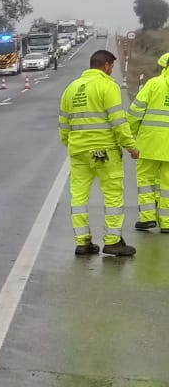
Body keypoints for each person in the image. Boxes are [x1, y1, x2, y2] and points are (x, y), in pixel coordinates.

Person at [58, 48, 139, 258]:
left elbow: (63, 124)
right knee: (113, 195)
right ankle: (112, 241)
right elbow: (118, 122)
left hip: (78, 152)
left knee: (78, 196)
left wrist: (71, 144)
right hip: (104, 151)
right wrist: (131, 146)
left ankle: (83, 242)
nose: (112, 70)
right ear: (105, 66)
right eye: (111, 67)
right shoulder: (107, 85)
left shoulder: (71, 88)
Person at [129, 51, 169, 234]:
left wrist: (130, 135)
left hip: (150, 144)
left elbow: (135, 112)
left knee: (146, 180)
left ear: (163, 67)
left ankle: (147, 219)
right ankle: (167, 222)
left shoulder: (153, 84)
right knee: (167, 185)